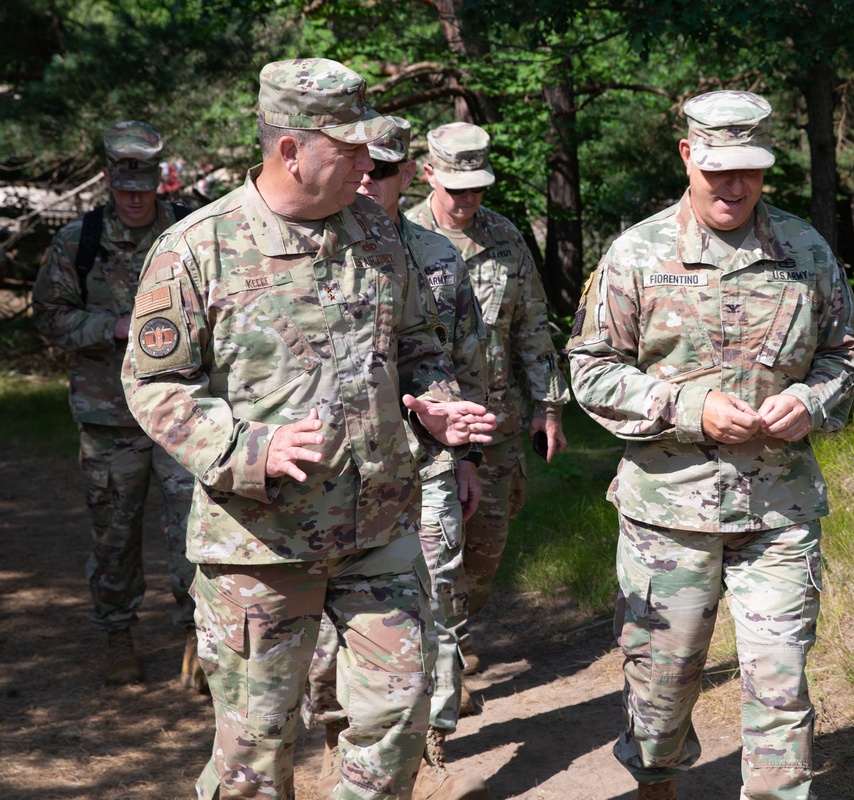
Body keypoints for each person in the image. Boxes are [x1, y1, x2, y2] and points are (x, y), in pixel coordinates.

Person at [120, 58, 496, 800]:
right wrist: (248, 449)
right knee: (255, 751)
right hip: (260, 541)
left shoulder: (378, 237)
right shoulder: (197, 249)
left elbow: (418, 346)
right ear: (291, 149)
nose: (367, 162)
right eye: (348, 146)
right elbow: (154, 383)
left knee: (397, 713)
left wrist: (437, 403)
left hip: (379, 526)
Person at [566, 90, 854, 800]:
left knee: (779, 680)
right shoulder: (636, 254)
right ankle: (656, 781)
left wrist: (813, 399)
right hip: (668, 515)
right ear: (687, 156)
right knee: (661, 689)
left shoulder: (804, 250)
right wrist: (690, 407)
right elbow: (591, 369)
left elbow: (848, 351)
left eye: (750, 171)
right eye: (718, 170)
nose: (734, 186)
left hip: (779, 510)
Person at [303, 115, 490, 800]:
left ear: (408, 173)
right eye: (363, 167)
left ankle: (427, 735)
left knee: (433, 595)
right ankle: (332, 731)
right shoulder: (315, 247)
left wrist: (463, 453)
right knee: (329, 622)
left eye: (384, 171)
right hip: (337, 475)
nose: (369, 181)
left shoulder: (436, 256)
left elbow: (462, 363)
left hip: (427, 464)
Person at [31, 120, 202, 691]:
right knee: (115, 535)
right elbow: (49, 317)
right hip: (110, 419)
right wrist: (113, 326)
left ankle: (199, 638)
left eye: (144, 185)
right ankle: (117, 635)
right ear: (108, 180)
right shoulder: (77, 243)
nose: (133, 197)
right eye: (123, 186)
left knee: (194, 530)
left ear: (159, 181)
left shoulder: (187, 233)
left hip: (183, 413)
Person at [406, 122, 570, 673]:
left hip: (493, 424)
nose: (468, 199)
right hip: (422, 428)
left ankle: (457, 627)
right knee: (432, 547)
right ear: (428, 174)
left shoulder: (505, 240)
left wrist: (549, 407)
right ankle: (439, 657)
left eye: (477, 187)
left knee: (485, 545)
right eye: (456, 188)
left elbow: (532, 327)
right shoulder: (396, 235)